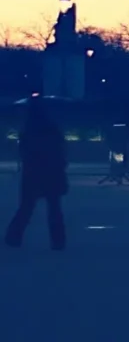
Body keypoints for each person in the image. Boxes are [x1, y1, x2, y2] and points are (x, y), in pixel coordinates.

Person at [5, 97, 67, 250]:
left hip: (33, 172)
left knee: (26, 207)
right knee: (54, 208)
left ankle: (14, 237)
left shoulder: (28, 130)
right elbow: (61, 150)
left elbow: (25, 152)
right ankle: (58, 240)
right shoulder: (52, 128)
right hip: (52, 171)